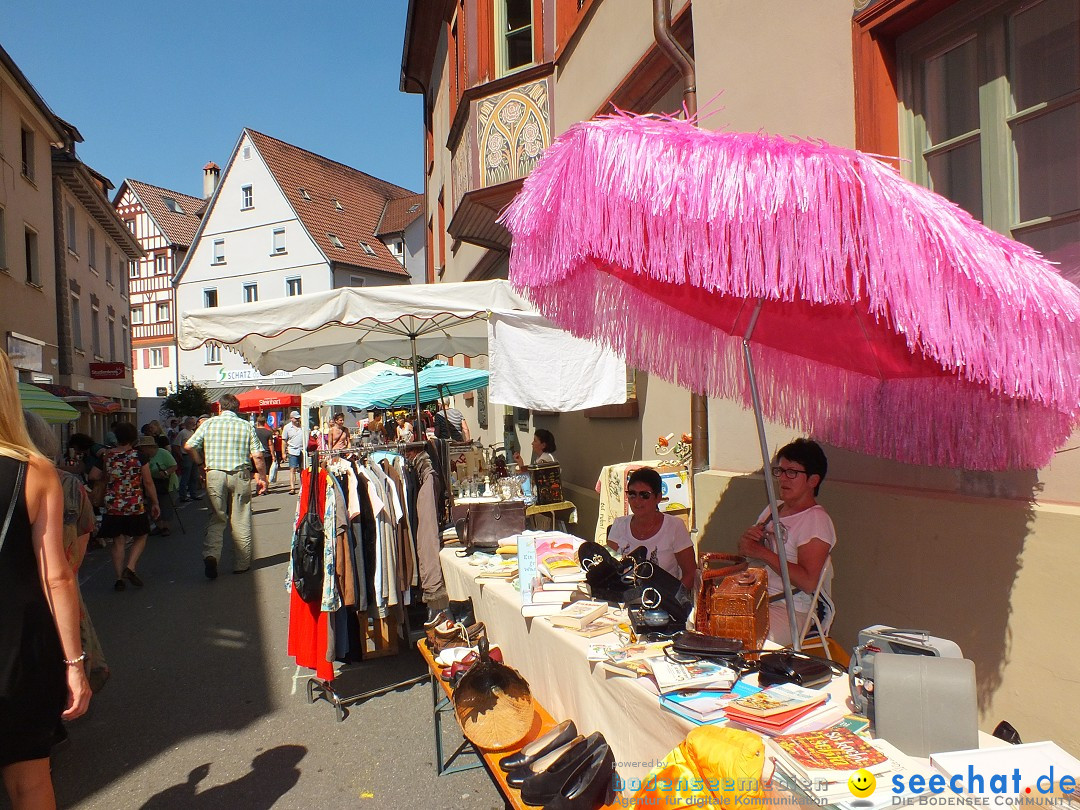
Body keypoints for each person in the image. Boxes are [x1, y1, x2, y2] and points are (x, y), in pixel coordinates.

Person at [0, 352, 90, 808]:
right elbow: (57, 577)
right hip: (18, 647)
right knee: (29, 781)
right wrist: (74, 663)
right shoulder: (34, 472)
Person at [23, 410, 109, 694]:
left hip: (21, 582)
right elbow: (85, 531)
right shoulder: (69, 484)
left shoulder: (13, 479)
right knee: (71, 638)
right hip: (62, 573)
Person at [738, 438, 835, 647]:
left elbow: (808, 582)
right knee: (702, 621)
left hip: (791, 609)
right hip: (755, 598)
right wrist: (748, 543)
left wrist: (762, 553)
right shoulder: (774, 508)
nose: (783, 478)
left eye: (792, 472)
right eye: (780, 471)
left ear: (813, 480)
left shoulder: (816, 521)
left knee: (740, 637)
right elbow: (750, 553)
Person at [185, 393, 268, 579]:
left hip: (214, 473)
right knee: (241, 518)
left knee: (217, 517)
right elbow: (258, 455)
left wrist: (200, 465)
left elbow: (189, 446)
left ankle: (212, 555)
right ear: (237, 409)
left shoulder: (208, 424)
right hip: (240, 474)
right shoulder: (246, 426)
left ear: (220, 408)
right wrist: (261, 477)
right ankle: (242, 563)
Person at [90, 422, 160, 591]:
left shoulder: (107, 455)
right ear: (133, 439)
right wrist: (155, 502)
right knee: (141, 535)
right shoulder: (139, 456)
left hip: (112, 503)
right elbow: (148, 481)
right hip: (134, 503)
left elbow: (93, 475)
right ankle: (131, 566)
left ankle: (118, 577)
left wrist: (109, 478)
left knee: (117, 541)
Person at [606, 467, 696, 590]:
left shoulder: (675, 527)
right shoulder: (619, 525)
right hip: (625, 596)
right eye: (632, 494)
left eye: (644, 495)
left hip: (663, 600)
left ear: (658, 497)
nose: (637, 501)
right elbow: (609, 570)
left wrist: (674, 601)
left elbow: (690, 574)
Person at [143, 435, 177, 536]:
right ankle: (158, 526)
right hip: (151, 482)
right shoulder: (143, 456)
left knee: (165, 505)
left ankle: (166, 527)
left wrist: (166, 472)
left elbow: (174, 466)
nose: (142, 449)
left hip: (166, 483)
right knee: (151, 504)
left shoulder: (163, 453)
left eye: (143, 447)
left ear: (150, 447)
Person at [175, 416, 201, 502]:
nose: (193, 424)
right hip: (186, 456)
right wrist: (181, 456)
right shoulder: (182, 433)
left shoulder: (192, 432)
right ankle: (183, 496)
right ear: (186, 424)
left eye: (193, 423)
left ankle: (193, 494)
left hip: (193, 455)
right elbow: (176, 445)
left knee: (194, 476)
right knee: (185, 476)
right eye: (191, 423)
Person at [281, 411, 305, 495]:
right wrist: (283, 453)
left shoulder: (303, 426)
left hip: (302, 450)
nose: (298, 420)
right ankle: (292, 487)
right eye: (296, 418)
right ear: (291, 418)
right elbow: (284, 441)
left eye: (298, 418)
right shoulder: (287, 427)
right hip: (292, 450)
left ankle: (303, 486)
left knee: (303, 469)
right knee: (292, 469)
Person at [253, 416, 276, 492]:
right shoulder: (268, 432)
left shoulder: (254, 431)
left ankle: (258, 484)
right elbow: (270, 444)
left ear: (257, 422)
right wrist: (273, 455)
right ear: (265, 422)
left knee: (256, 471)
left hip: (255, 453)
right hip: (266, 453)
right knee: (266, 471)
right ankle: (265, 487)